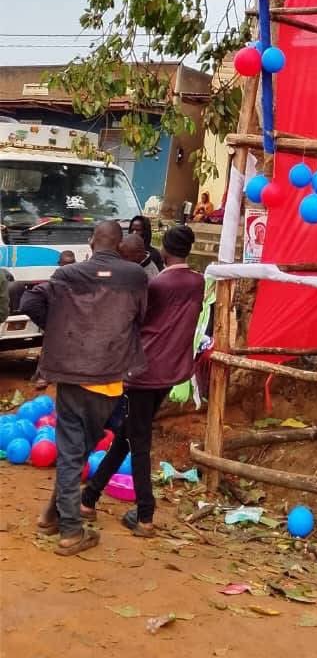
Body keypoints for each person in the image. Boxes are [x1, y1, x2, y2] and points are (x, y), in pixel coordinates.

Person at [21, 220, 147, 556]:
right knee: (76, 450)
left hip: (71, 374)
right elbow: (142, 318)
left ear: (91, 242)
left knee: (72, 450)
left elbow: (29, 302)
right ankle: (70, 531)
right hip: (108, 378)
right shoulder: (135, 277)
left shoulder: (66, 276)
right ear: (120, 246)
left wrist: (63, 331)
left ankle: (53, 517)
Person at [81, 224, 204, 537]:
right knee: (127, 434)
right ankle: (90, 496)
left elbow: (135, 320)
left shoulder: (158, 284)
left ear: (164, 250)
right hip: (171, 372)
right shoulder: (198, 282)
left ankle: (145, 514)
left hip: (144, 370)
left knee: (139, 441)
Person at [33, 250, 77, 390]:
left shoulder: (82, 280)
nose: (66, 268)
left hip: (77, 321)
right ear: (59, 264)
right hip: (58, 321)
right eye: (64, 264)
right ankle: (43, 376)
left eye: (70, 264)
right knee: (50, 344)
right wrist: (46, 322)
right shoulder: (54, 280)